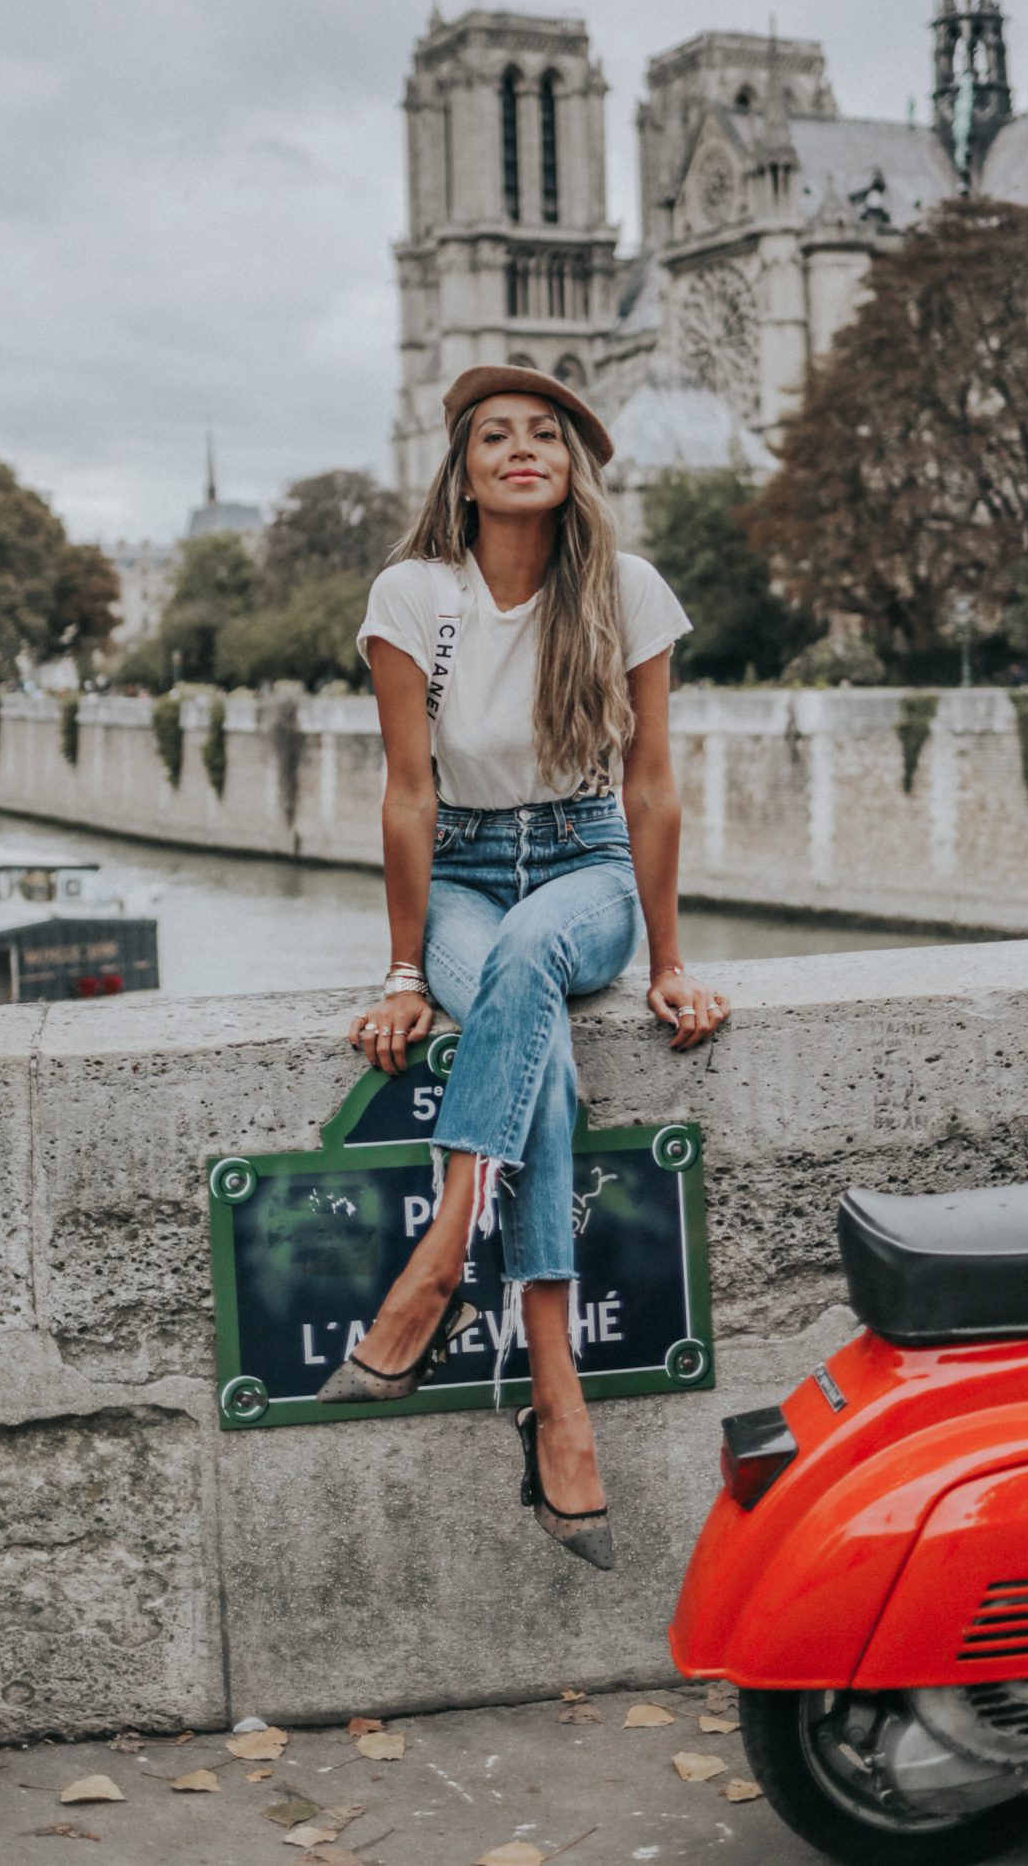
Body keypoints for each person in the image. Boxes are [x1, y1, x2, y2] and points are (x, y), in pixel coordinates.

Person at [317, 365, 729, 1570]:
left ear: (573, 466)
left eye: (544, 434)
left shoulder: (628, 593)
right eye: (494, 435)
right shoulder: (414, 595)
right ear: (463, 467)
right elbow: (408, 794)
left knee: (532, 956)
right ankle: (558, 1397)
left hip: (583, 864)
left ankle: (436, 1271)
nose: (520, 449)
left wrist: (669, 960)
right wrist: (403, 972)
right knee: (524, 1013)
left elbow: (648, 789)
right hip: (458, 874)